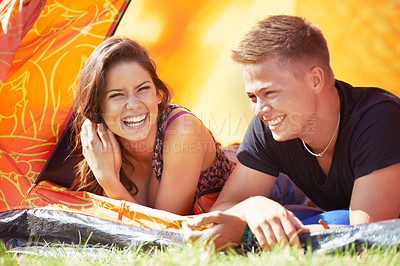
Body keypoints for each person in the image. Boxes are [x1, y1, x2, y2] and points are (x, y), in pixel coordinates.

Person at [182, 14, 400, 250]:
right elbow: (223, 208)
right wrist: (252, 206)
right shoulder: (271, 126)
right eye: (252, 97)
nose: (259, 110)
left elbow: (369, 235)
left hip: (380, 225)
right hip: (345, 218)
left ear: (315, 80)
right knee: (291, 215)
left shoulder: (379, 119)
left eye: (270, 93)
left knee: (338, 220)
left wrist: (248, 234)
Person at [69, 36, 234, 215]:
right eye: (117, 95)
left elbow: (163, 232)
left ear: (158, 94)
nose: (133, 104)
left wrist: (108, 180)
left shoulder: (183, 131)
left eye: (142, 89)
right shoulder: (98, 142)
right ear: (98, 108)